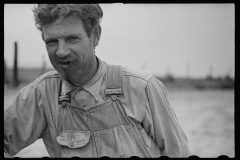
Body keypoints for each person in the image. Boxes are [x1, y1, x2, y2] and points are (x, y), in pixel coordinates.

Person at [4, 4, 191, 158]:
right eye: (51, 42)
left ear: (95, 35)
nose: (61, 51)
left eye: (72, 39)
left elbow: (178, 153)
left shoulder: (142, 87)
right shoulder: (42, 94)